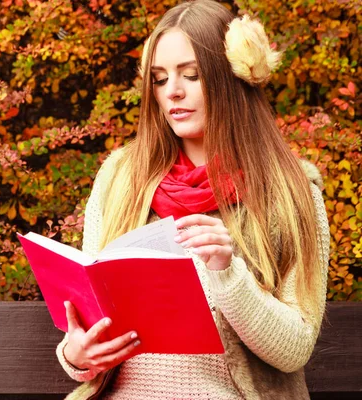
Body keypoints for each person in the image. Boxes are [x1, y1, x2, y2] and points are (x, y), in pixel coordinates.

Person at [55, 0, 330, 399]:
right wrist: (78, 355)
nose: (174, 93)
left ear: (229, 78)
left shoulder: (292, 193)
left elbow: (294, 349)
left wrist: (227, 271)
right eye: (160, 79)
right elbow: (87, 325)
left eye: (191, 75)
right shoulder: (121, 177)